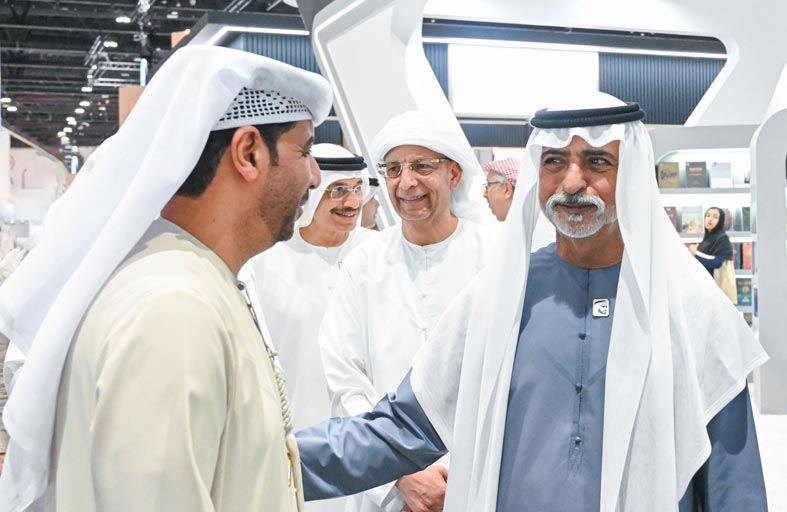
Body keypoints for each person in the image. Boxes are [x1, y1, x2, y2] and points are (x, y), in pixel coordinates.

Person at [296, 93, 768, 512]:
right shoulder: (499, 292)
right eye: (554, 162)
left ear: (632, 176)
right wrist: (280, 459)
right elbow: (402, 427)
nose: (572, 182)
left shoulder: (690, 306)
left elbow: (733, 484)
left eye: (597, 162)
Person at [0, 45, 333, 511]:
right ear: (249, 152)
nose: (314, 176)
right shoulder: (174, 308)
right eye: (306, 151)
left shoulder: (188, 281)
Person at [318, 110, 487, 512]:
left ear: (453, 174)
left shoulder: (495, 258)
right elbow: (344, 381)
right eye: (394, 169)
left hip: (478, 481)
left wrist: (455, 478)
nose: (406, 182)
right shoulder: (363, 265)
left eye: (422, 166)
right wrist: (400, 473)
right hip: (386, 489)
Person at [240, 145, 376, 512]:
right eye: (338, 190)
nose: (352, 202)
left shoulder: (379, 253)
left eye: (357, 189)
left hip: (371, 443)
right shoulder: (266, 260)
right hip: (295, 436)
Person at [689, 207, 733, 274]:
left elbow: (717, 263)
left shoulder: (723, 239)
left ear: (720, 221)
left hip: (713, 280)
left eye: (715, 217)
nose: (710, 219)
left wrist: (696, 253)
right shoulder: (707, 238)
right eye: (708, 215)